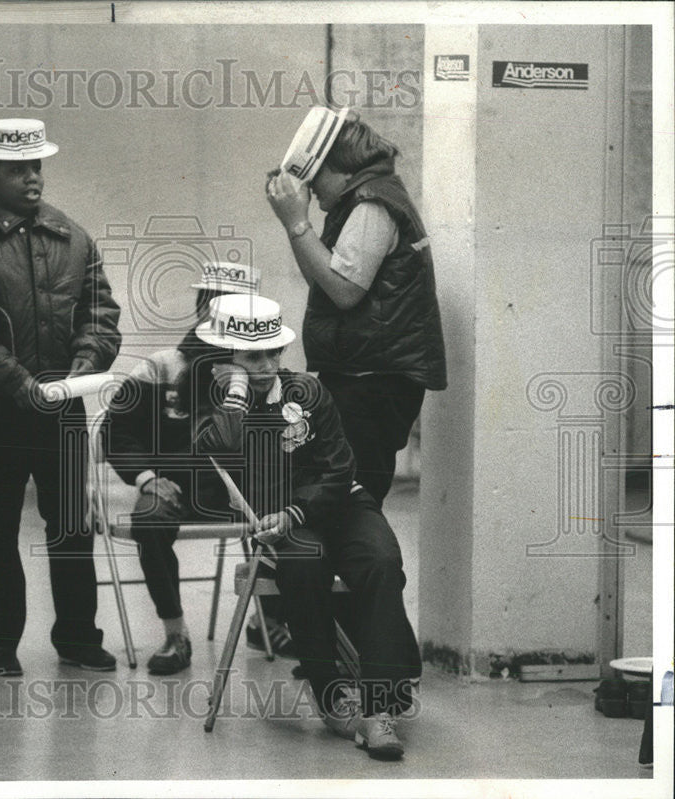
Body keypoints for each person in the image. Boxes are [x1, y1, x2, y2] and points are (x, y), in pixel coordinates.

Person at [0, 119, 122, 676]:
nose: (31, 177)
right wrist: (16, 381)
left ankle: (79, 638)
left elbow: (100, 313)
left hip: (63, 406)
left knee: (71, 525)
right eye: (17, 168)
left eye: (36, 166)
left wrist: (84, 366)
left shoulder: (74, 237)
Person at [194, 293, 422, 760]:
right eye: (251, 357)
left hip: (338, 503)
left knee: (381, 559)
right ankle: (332, 694)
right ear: (226, 360)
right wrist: (235, 394)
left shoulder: (308, 393)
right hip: (277, 521)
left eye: (271, 353)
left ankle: (380, 707)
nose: (264, 366)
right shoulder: (214, 402)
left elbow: (339, 470)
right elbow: (215, 463)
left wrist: (297, 511)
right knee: (303, 564)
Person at [103, 262, 295, 675]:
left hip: (245, 493)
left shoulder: (264, 370)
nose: (221, 315)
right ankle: (176, 634)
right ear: (200, 308)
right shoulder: (161, 367)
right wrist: (148, 479)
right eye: (214, 304)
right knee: (149, 519)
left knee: (293, 514)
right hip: (176, 489)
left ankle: (269, 622)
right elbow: (118, 433)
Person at [267, 107, 446, 507]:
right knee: (341, 488)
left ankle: (364, 568)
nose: (312, 192)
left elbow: (344, 291)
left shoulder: (371, 205)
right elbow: (321, 279)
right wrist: (296, 225)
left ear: (339, 167)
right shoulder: (363, 199)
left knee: (352, 494)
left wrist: (297, 223)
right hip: (365, 375)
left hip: (373, 381)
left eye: (314, 180)